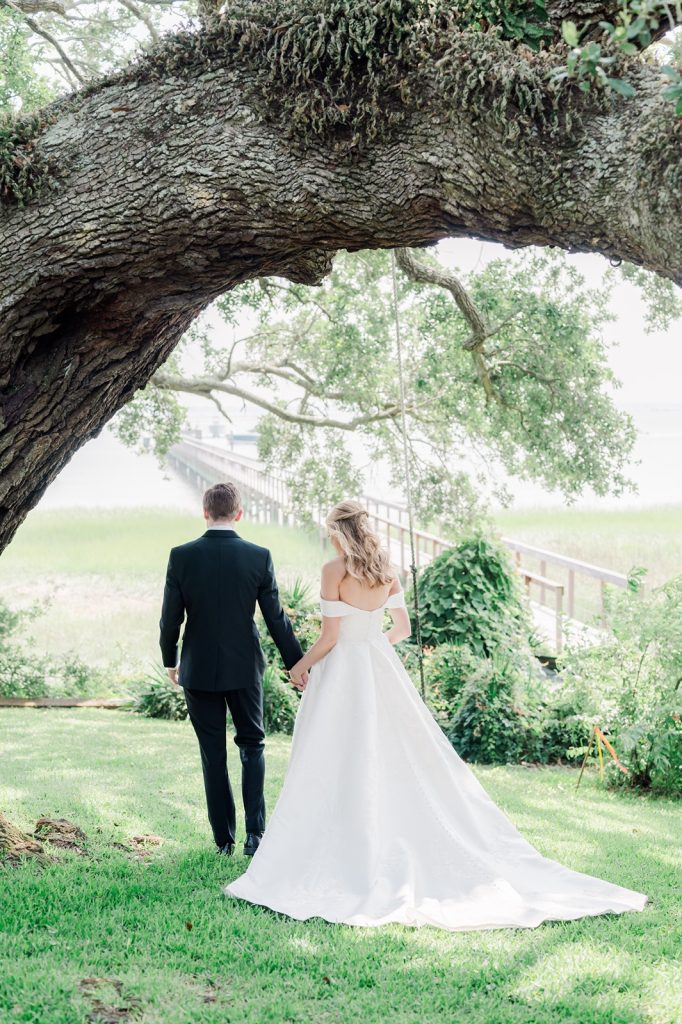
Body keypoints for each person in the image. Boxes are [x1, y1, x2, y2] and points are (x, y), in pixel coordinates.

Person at [224, 500, 648, 931]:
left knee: (333, 752)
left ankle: (336, 837)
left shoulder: (334, 571)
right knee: (393, 750)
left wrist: (300, 666)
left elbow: (331, 636)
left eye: (330, 531)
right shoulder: (386, 568)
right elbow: (402, 628)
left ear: (337, 532)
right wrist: (375, 643)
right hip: (378, 664)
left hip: (344, 673)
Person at [159, 481, 305, 858]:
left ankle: (223, 840)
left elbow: (169, 619)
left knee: (212, 753)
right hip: (244, 668)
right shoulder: (259, 556)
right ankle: (255, 837)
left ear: (205, 512)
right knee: (252, 745)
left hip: (198, 667)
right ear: (239, 514)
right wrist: (297, 664)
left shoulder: (181, 556)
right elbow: (276, 619)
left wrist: (170, 660)